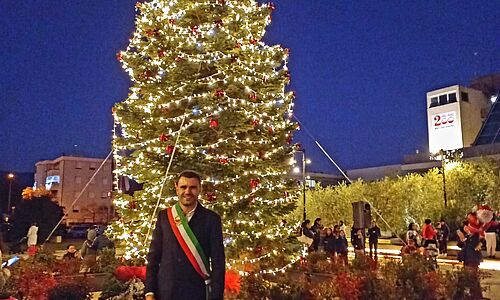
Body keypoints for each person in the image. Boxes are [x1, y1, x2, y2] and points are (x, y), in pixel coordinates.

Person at [145, 170, 225, 300]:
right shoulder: (164, 217)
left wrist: (216, 297)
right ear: (176, 188)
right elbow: (153, 257)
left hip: (196, 292)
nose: (187, 192)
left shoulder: (212, 219)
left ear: (199, 189)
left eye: (192, 187)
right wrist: (149, 291)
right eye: (183, 187)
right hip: (166, 292)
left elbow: (218, 262)